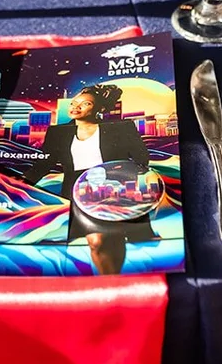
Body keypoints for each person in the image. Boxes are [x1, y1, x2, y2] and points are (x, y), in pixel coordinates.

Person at [24, 83, 153, 275]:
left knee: (109, 239)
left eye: (85, 104)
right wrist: (24, 182)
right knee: (97, 241)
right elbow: (45, 163)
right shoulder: (57, 132)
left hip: (112, 187)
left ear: (100, 109)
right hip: (77, 191)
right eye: (75, 102)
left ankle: (112, 279)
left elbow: (141, 159)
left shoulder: (121, 128)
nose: (76, 106)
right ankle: (109, 282)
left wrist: (122, 177)